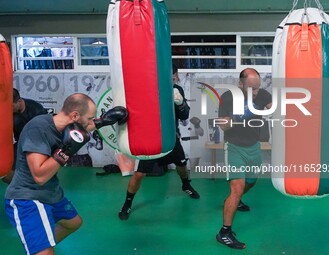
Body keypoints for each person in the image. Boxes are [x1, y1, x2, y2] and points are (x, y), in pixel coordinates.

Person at [5, 93, 127, 255]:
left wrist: (104, 121)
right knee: (44, 252)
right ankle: (40, 249)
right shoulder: (38, 129)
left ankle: (39, 245)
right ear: (75, 115)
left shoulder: (66, 125)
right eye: (91, 118)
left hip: (51, 192)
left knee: (73, 222)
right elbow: (39, 176)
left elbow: (86, 126)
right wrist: (66, 151)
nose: (92, 122)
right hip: (28, 198)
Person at [118, 64, 200, 220]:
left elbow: (184, 116)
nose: (174, 79)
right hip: (151, 139)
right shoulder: (146, 90)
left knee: (182, 164)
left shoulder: (176, 90)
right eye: (171, 76)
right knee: (140, 174)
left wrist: (180, 103)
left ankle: (186, 185)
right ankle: (127, 204)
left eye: (174, 76)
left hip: (170, 137)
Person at [216, 68, 272, 249]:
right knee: (236, 188)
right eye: (251, 89)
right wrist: (239, 115)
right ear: (240, 84)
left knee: (252, 181)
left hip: (254, 146)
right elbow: (223, 126)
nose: (255, 93)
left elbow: (273, 105)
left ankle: (236, 200)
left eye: (257, 88)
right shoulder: (228, 97)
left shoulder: (261, 94)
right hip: (234, 147)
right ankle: (224, 232)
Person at [2, 88, 48, 184]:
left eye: (11, 106)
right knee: (5, 170)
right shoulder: (7, 112)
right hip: (20, 144)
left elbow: (45, 133)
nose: (8, 109)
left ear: (19, 101)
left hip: (37, 145)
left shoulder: (36, 110)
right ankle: (19, 185)